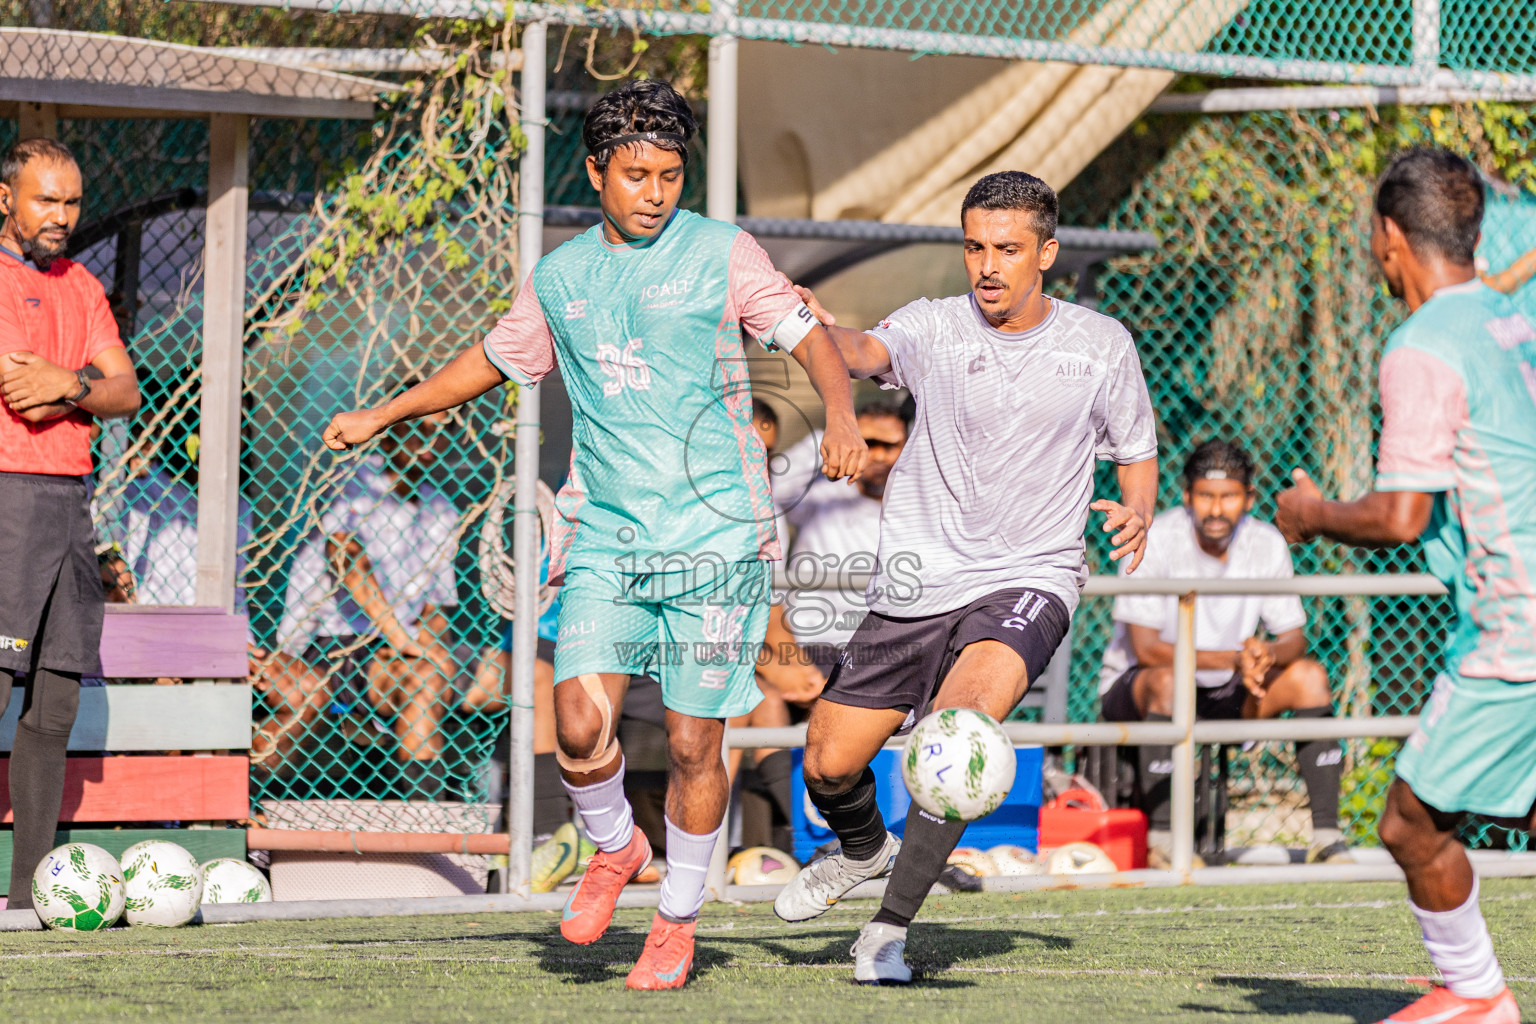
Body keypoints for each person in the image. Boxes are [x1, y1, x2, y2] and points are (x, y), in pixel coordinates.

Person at [318, 80, 865, 990]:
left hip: (717, 542)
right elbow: (492, 359)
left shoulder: (722, 253)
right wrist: (385, 412)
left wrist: (840, 414)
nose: (655, 192)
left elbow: (811, 340)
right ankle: (616, 846)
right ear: (597, 171)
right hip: (607, 534)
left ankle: (676, 922)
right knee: (576, 726)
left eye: (671, 175)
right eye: (637, 175)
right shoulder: (562, 275)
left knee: (692, 745)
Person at [774, 170, 1158, 984]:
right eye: (975, 247)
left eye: (1008, 250)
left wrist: (1137, 509)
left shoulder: (1100, 344)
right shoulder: (933, 325)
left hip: (1030, 576)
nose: (988, 266)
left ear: (1046, 253)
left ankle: (887, 932)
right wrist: (815, 329)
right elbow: (864, 351)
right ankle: (863, 850)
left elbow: (1135, 448)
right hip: (916, 584)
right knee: (828, 764)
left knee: (962, 731)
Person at [1277, 148, 1534, 1024]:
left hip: (1516, 624)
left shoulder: (1423, 345)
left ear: (1389, 236)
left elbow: (1399, 517)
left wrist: (1311, 513)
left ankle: (1474, 993)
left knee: (1410, 820)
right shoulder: (1508, 316)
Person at [0, 138, 141, 907]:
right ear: (6, 199)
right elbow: (22, 393)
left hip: (71, 503)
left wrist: (71, 384)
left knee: (55, 703)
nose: (61, 215)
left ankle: (30, 902)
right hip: (9, 497)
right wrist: (84, 385)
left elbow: (127, 392)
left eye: (72, 201)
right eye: (45, 199)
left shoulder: (82, 284)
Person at [1099, 439, 1348, 867]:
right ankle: (1163, 844)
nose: (1216, 509)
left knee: (1310, 678)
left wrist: (1265, 653)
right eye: (1206, 496)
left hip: (1231, 690)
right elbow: (1146, 649)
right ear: (1186, 495)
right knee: (1169, 681)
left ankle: (1327, 839)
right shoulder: (1154, 537)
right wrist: (1235, 659)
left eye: (1229, 496)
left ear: (1249, 498)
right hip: (1146, 689)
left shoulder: (1266, 541)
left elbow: (1294, 638)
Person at [277, 409, 461, 797]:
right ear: (393, 428)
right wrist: (403, 639)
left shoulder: (442, 508)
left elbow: (437, 605)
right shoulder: (353, 484)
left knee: (531, 675)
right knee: (422, 680)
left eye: (442, 430)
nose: (430, 439)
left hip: (403, 644)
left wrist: (433, 646)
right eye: (420, 427)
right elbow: (346, 558)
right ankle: (426, 820)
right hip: (335, 640)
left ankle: (548, 821)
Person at [773, 396, 908, 675]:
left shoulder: (917, 508)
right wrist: (834, 434)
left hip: (885, 646)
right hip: (814, 641)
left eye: (889, 445)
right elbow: (771, 489)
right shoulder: (820, 495)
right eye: (869, 443)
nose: (878, 456)